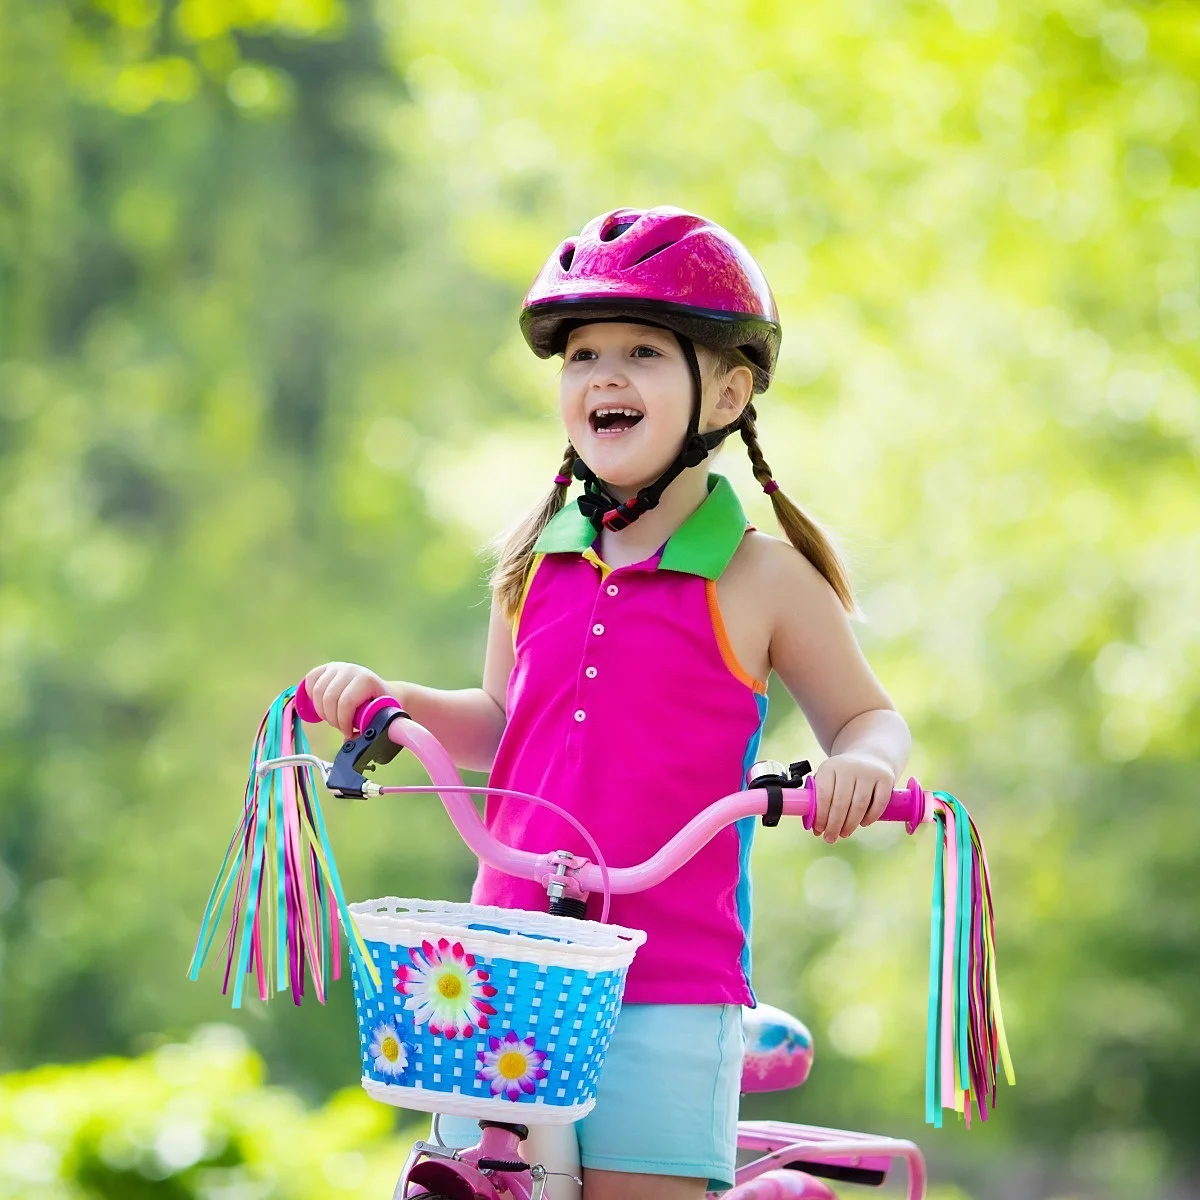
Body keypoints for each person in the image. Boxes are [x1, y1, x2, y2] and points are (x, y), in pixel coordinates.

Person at [304, 206, 911, 1200]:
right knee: (470, 1183)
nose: (604, 376)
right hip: (505, 958)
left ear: (727, 389)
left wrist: (863, 766)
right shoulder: (535, 555)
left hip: (670, 977)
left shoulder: (761, 579)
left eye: (640, 351)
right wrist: (396, 701)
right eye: (583, 355)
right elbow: (502, 728)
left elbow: (867, 717)